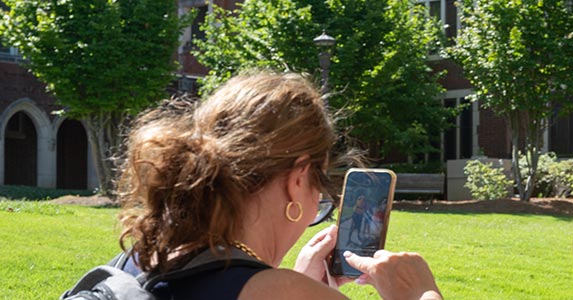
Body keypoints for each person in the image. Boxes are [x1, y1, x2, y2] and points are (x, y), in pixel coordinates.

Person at [115, 72, 443, 300]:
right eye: (321, 180)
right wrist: (421, 293)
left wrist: (290, 281)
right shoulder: (290, 294)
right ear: (299, 178)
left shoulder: (135, 263)